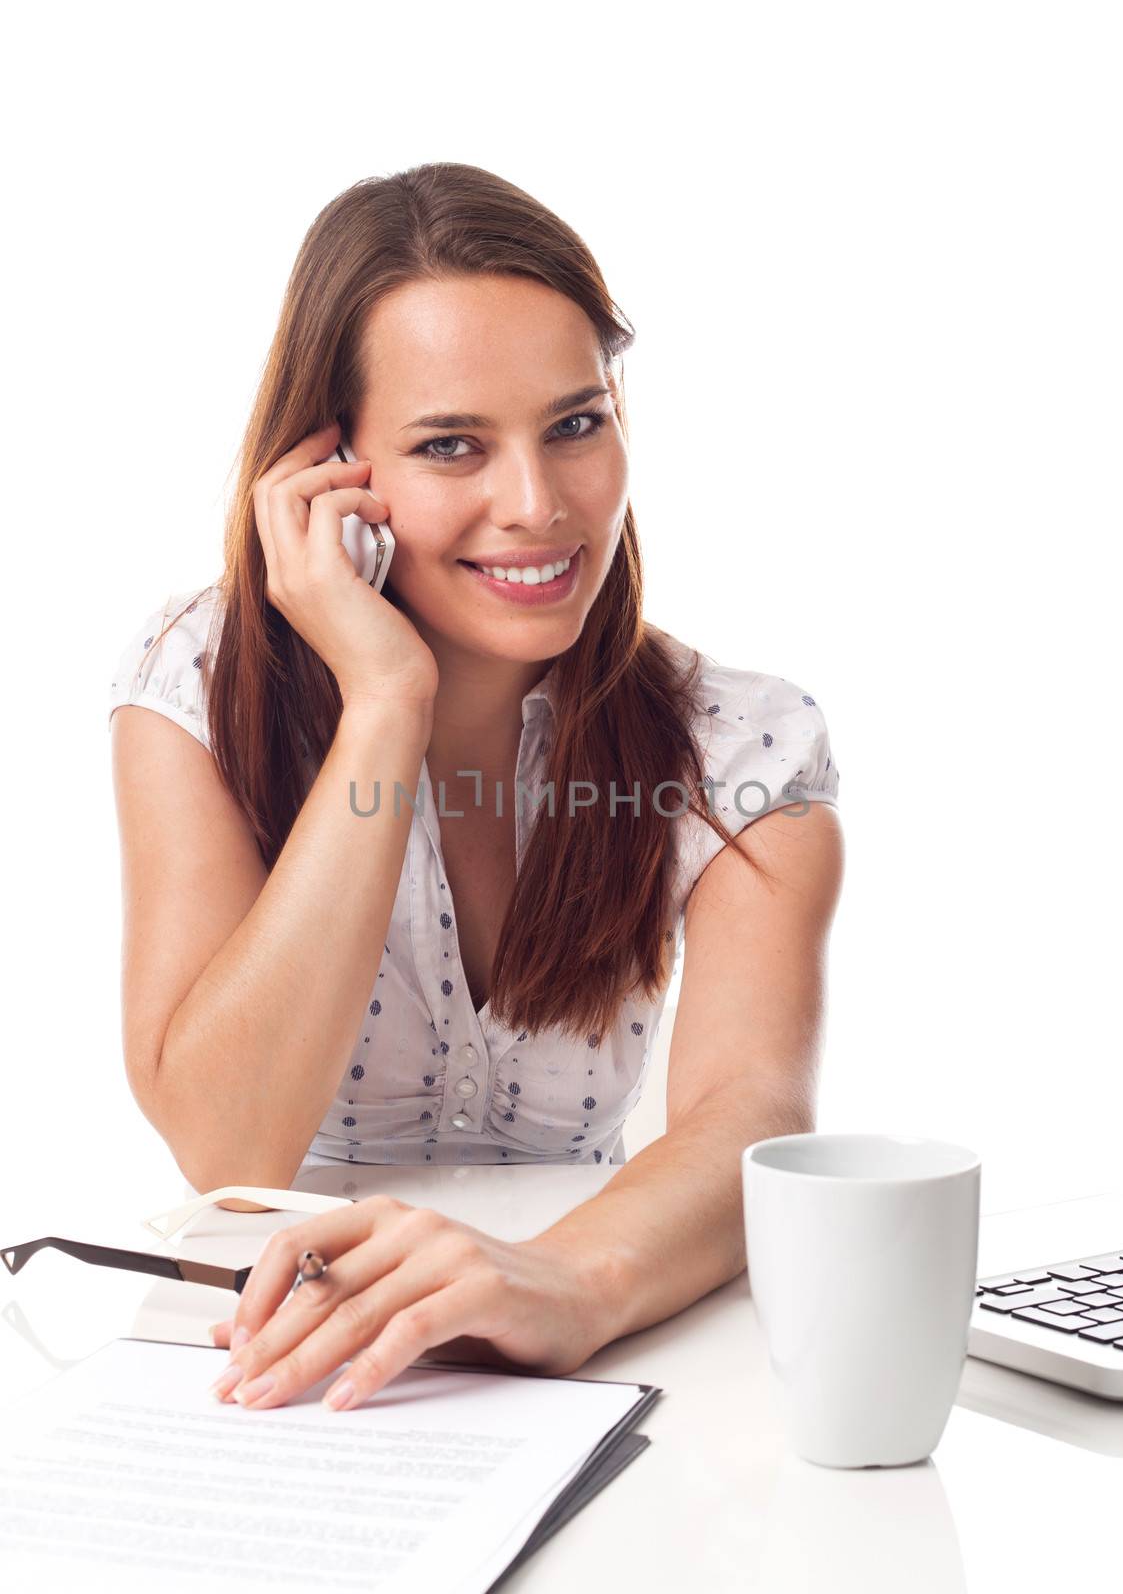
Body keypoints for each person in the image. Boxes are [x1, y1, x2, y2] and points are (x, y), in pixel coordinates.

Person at [107, 162, 845, 1411]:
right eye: (451, 444)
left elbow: (751, 1120)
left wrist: (556, 1284)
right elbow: (228, 1150)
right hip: (276, 1370)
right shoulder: (197, 685)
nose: (538, 506)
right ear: (330, 471)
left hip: (608, 1347)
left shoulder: (740, 747)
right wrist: (383, 702)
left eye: (574, 423)